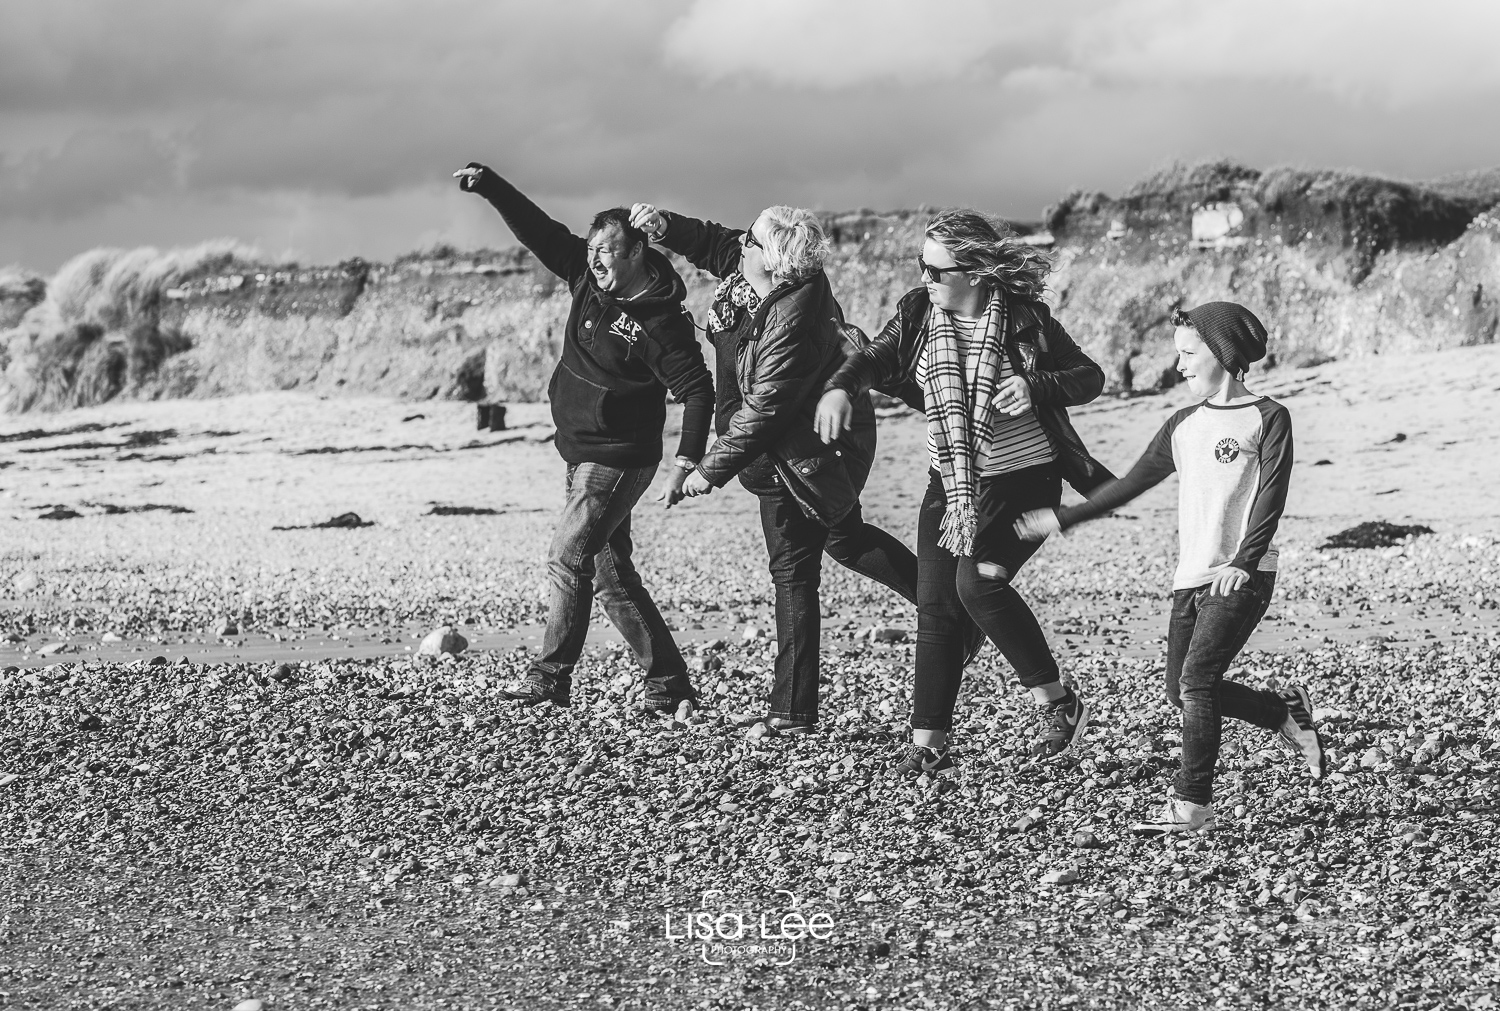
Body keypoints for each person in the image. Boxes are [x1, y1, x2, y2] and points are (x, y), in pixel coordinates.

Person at [816, 210, 1113, 777]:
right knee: (937, 609)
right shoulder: (917, 313)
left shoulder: (1027, 321)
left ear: (975, 271)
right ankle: (930, 744)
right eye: (921, 266)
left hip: (1026, 480)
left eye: (935, 269)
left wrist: (1035, 385)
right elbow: (875, 358)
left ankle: (1057, 702)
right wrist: (839, 388)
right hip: (952, 485)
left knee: (976, 585)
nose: (924, 277)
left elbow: (1089, 378)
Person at [1015, 302, 1326, 833]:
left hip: (1242, 574)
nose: (1178, 365)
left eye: (1187, 354)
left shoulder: (1269, 417)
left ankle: (1191, 806)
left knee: (1199, 681)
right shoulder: (1182, 425)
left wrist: (1245, 563)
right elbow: (1129, 484)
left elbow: (1270, 499)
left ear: (1222, 354)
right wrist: (1065, 517)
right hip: (1192, 575)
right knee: (1180, 691)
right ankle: (1282, 713)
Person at [629, 202, 938, 736]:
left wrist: (708, 469)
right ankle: (951, 618)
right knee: (842, 541)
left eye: (749, 241)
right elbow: (715, 241)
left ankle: (794, 711)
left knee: (799, 568)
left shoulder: (793, 311)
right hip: (787, 451)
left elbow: (767, 406)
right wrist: (665, 226)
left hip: (798, 455)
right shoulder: (752, 277)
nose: (738, 244)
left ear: (771, 261)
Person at [454, 163, 714, 715]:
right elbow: (538, 229)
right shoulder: (584, 277)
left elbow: (697, 389)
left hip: (619, 457)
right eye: (592, 248)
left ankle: (550, 676)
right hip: (577, 452)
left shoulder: (663, 323)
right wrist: (492, 185)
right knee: (610, 576)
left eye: (608, 250)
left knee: (567, 556)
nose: (595, 259)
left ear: (638, 251)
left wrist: (687, 460)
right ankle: (669, 686)